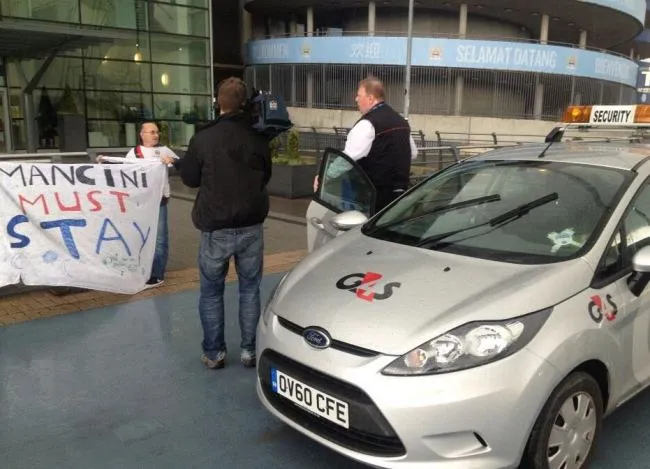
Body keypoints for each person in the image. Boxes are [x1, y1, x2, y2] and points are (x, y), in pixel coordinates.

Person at [179, 77, 272, 370]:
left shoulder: (203, 138)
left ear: (218, 101)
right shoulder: (258, 137)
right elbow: (265, 175)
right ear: (244, 102)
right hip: (251, 226)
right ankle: (249, 351)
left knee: (210, 292)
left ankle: (214, 353)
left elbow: (190, 179)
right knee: (249, 290)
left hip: (215, 228)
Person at [315, 76, 418, 212]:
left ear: (370, 98)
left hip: (372, 198)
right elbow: (413, 154)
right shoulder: (401, 122)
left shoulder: (367, 123)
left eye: (359, 95)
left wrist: (324, 176)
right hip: (398, 197)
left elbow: (348, 159)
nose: (356, 99)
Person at [98, 121, 179, 288]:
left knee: (159, 239)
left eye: (156, 132)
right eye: (151, 132)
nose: (155, 135)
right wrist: (106, 161)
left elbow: (182, 164)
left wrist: (171, 160)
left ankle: (157, 274)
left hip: (159, 201)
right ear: (142, 134)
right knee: (140, 235)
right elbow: (123, 170)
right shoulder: (134, 153)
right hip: (140, 202)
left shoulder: (164, 151)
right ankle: (142, 270)